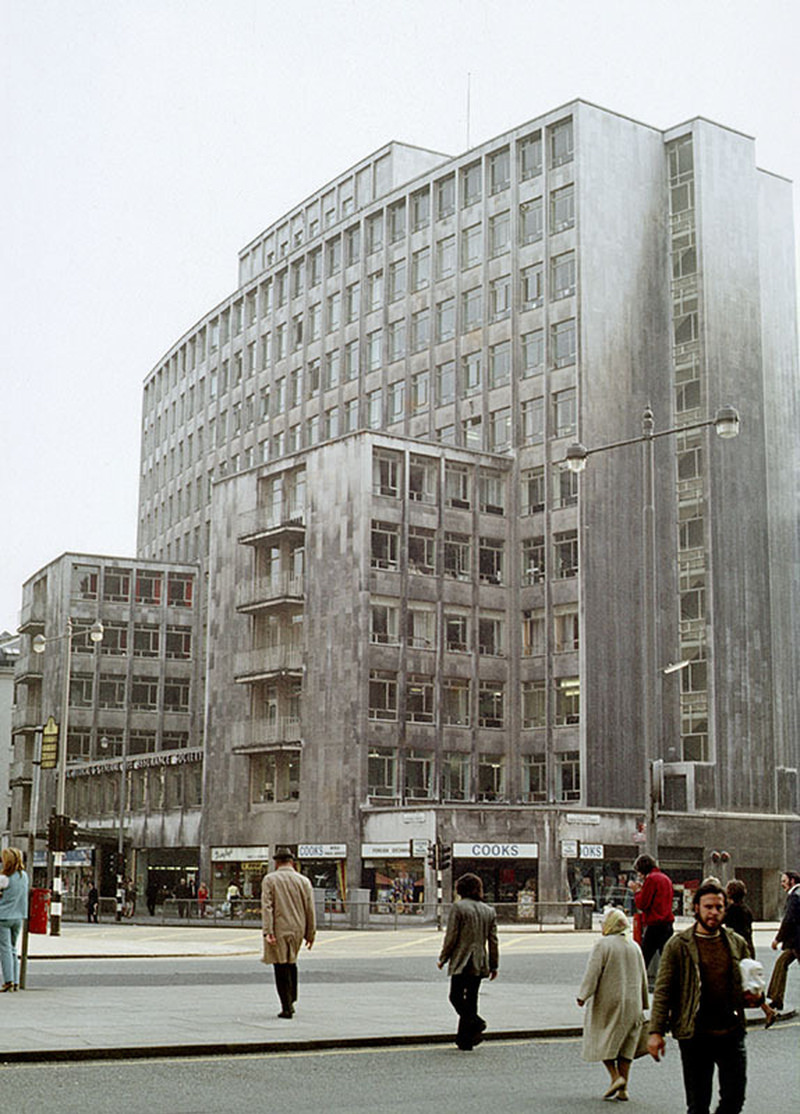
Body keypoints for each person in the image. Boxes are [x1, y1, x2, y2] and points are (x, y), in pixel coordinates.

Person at [648, 878, 749, 1114]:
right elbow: (663, 990)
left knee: (734, 1100)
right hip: (695, 1035)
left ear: (725, 909)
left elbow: (748, 982)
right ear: (696, 908)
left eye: (719, 907)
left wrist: (755, 998)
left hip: (731, 1034)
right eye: (708, 907)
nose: (714, 912)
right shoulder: (679, 945)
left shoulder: (736, 943)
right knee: (698, 1104)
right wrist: (655, 1032)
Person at [577, 907, 649, 1102]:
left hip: (610, 1001)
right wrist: (644, 1001)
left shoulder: (603, 945)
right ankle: (624, 1088)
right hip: (633, 1003)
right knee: (627, 1046)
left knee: (603, 1038)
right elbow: (643, 976)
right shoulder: (634, 946)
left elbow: (593, 973)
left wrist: (583, 995)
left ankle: (615, 1077)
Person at [437, 872, 499, 1051]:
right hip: (480, 961)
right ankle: (465, 1040)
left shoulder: (459, 908)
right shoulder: (489, 910)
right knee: (471, 999)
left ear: (460, 889)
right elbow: (493, 941)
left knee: (455, 996)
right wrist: (494, 965)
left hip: (462, 960)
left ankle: (476, 1022)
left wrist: (443, 958)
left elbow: (452, 937)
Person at [261, 849, 316, 1019]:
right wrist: (310, 933)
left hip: (279, 927)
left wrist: (268, 931)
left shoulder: (270, 880)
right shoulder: (303, 881)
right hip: (298, 928)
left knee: (280, 965)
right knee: (292, 962)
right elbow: (310, 909)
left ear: (276, 863)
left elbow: (267, 907)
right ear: (292, 862)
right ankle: (292, 999)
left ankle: (286, 1005)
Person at [723, 878, 776, 1027]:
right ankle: (767, 1010)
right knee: (747, 984)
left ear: (730, 893)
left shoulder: (732, 910)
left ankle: (739, 1017)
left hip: (736, 950)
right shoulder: (746, 909)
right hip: (748, 948)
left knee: (736, 984)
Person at [632, 853, 675, 976]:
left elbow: (643, 903)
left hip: (655, 924)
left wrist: (637, 892)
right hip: (667, 922)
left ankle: (638, 983)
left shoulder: (651, 879)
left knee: (643, 958)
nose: (639, 875)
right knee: (668, 958)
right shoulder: (665, 878)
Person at [766, 868, 800, 1015]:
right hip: (794, 942)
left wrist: (777, 939)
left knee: (782, 963)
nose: (782, 884)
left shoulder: (795, 896)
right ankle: (776, 999)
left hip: (797, 942)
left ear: (792, 881)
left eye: (784, 881)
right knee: (781, 963)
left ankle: (776, 999)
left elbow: (788, 920)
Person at [0, 847, 31, 992]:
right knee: (13, 949)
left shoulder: (4, 879)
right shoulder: (24, 876)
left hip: (3, 917)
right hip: (19, 917)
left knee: (4, 949)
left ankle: (8, 981)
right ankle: (16, 981)